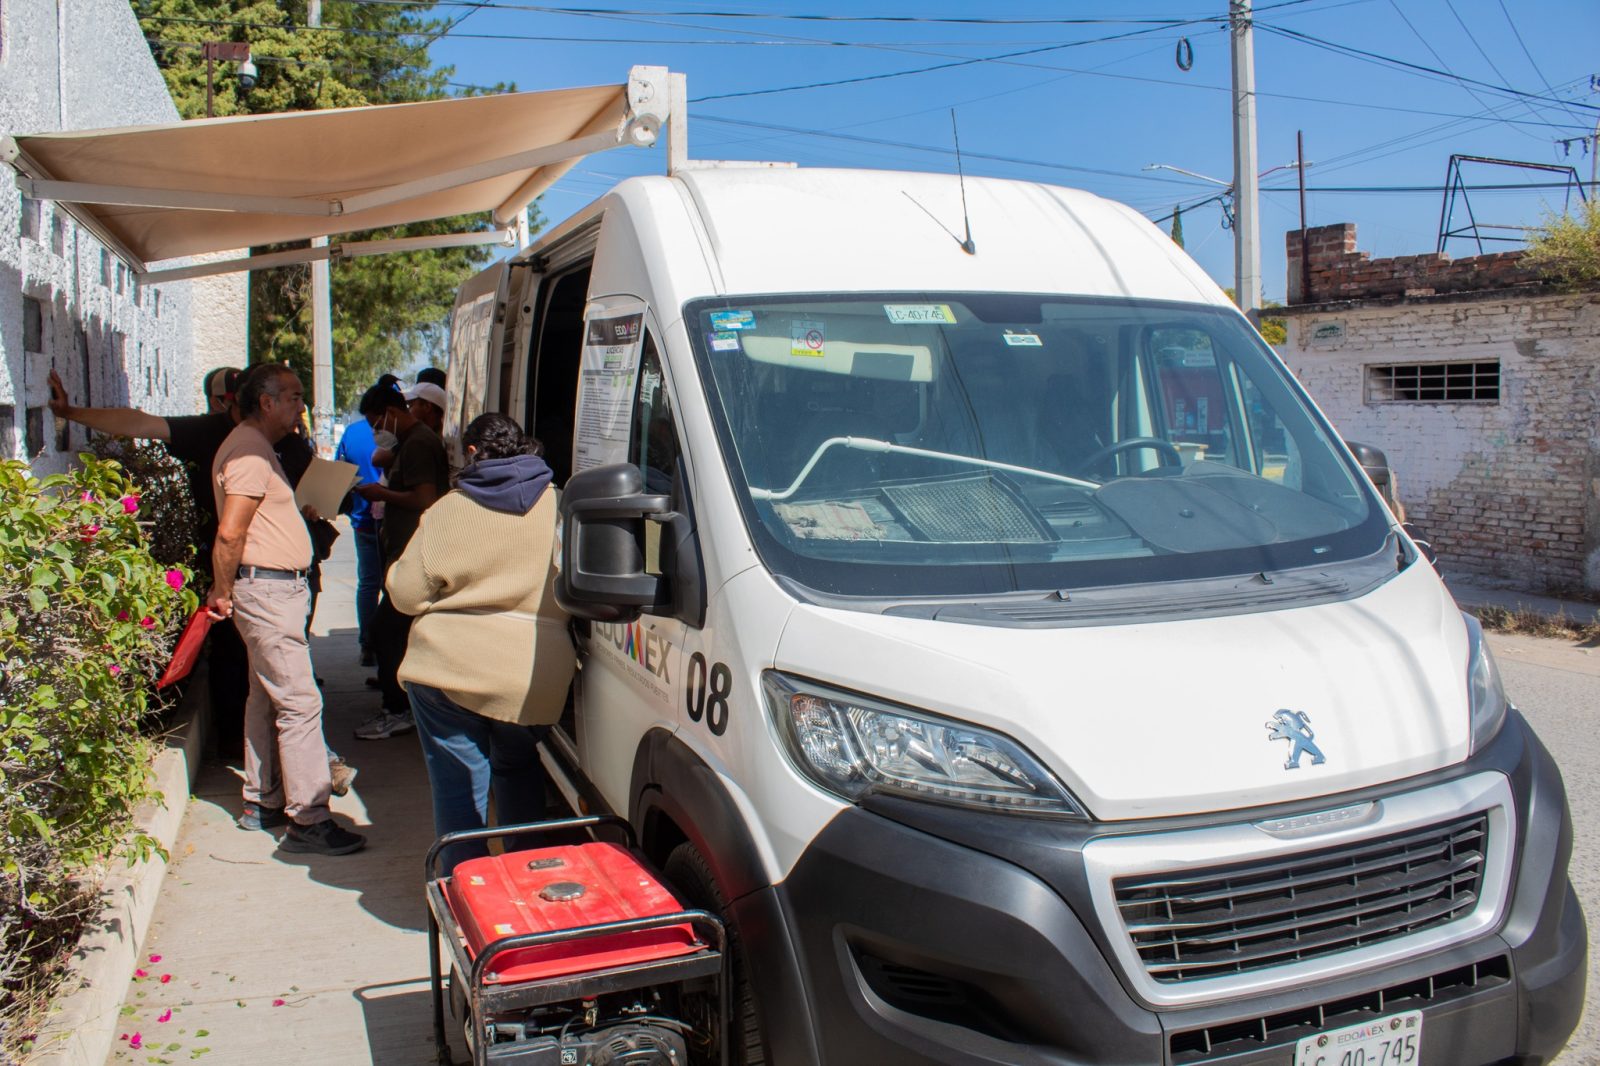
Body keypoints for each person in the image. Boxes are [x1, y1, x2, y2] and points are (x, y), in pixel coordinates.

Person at [387, 413, 574, 873]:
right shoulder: (563, 504)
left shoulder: (450, 509)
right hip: (532, 676)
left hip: (450, 672)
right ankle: (527, 879)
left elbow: (406, 597)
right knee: (518, 766)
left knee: (459, 785)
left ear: (471, 454)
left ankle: (465, 887)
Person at [48, 365, 250, 757]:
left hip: (283, 571)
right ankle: (236, 745)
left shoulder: (287, 440)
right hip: (229, 569)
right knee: (231, 657)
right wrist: (70, 413)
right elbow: (139, 423)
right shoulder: (211, 431)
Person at [206, 364, 366, 856]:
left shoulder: (255, 447)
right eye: (294, 396)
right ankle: (309, 818)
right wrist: (221, 590)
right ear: (266, 402)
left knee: (265, 696)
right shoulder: (251, 453)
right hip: (268, 593)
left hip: (270, 592)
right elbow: (231, 532)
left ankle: (262, 800)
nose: (302, 405)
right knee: (300, 703)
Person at [352, 382, 449, 740]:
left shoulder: (420, 443)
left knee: (384, 630)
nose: (377, 433)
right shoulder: (408, 442)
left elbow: (424, 498)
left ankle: (398, 709)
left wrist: (381, 493)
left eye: (378, 424)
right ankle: (402, 705)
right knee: (395, 633)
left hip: (415, 557)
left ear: (392, 414)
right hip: (403, 553)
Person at [337, 383, 401, 666]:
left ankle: (368, 644)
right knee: (391, 585)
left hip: (362, 520)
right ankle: (387, 645)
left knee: (367, 583)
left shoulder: (352, 431)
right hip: (389, 521)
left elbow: (340, 471)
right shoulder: (398, 434)